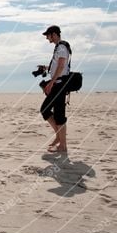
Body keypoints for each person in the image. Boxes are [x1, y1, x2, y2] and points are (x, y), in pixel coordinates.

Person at [40, 25, 70, 153]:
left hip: (59, 84)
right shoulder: (58, 48)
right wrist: (46, 68)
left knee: (47, 110)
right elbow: (58, 65)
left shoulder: (62, 47)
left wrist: (51, 83)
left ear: (54, 34)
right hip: (58, 83)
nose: (47, 38)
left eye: (48, 35)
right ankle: (61, 143)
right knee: (57, 115)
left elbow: (62, 66)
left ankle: (61, 141)